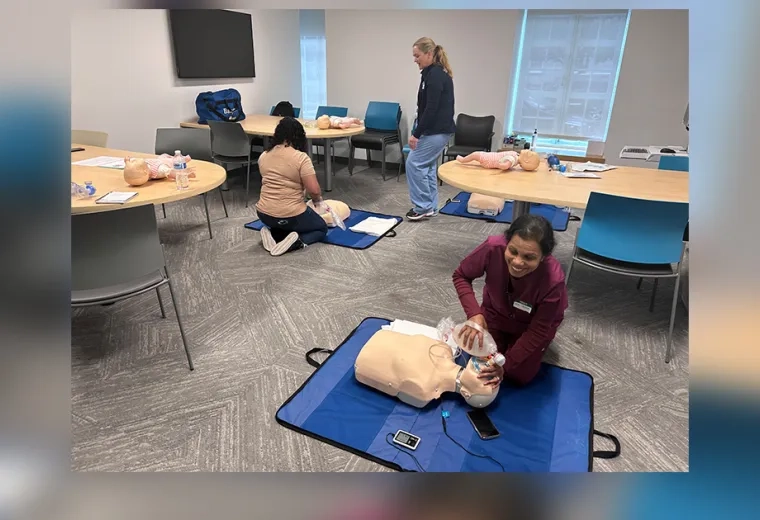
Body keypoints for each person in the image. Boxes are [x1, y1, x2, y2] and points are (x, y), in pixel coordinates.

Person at [452, 214, 568, 386]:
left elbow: (538, 330)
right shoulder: (492, 247)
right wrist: (474, 314)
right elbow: (461, 275)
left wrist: (507, 365)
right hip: (495, 312)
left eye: (529, 257)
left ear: (543, 257)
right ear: (506, 243)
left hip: (532, 325)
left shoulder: (553, 280)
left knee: (518, 374)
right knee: (482, 360)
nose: (517, 262)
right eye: (513, 251)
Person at [255, 117, 328, 256]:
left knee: (283, 224)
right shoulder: (301, 158)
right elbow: (314, 190)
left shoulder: (263, 156)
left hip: (263, 214)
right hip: (291, 215)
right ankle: (298, 242)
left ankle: (273, 234)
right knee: (321, 229)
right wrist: (318, 202)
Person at [405, 37, 456, 221]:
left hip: (437, 130)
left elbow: (431, 108)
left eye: (417, 55)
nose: (415, 59)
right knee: (426, 167)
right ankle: (430, 206)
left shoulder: (435, 75)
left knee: (413, 163)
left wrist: (415, 134)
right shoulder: (431, 73)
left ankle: (423, 207)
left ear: (429, 54)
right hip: (437, 130)